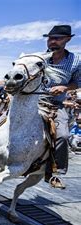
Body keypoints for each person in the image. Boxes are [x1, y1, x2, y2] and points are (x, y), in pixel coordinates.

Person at [42, 25, 80, 189]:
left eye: (58, 38)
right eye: (51, 38)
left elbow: (77, 82)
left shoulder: (76, 61)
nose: (53, 41)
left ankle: (55, 173)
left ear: (68, 39)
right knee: (1, 122)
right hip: (33, 102)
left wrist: (65, 87)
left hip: (56, 105)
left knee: (63, 136)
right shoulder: (39, 58)